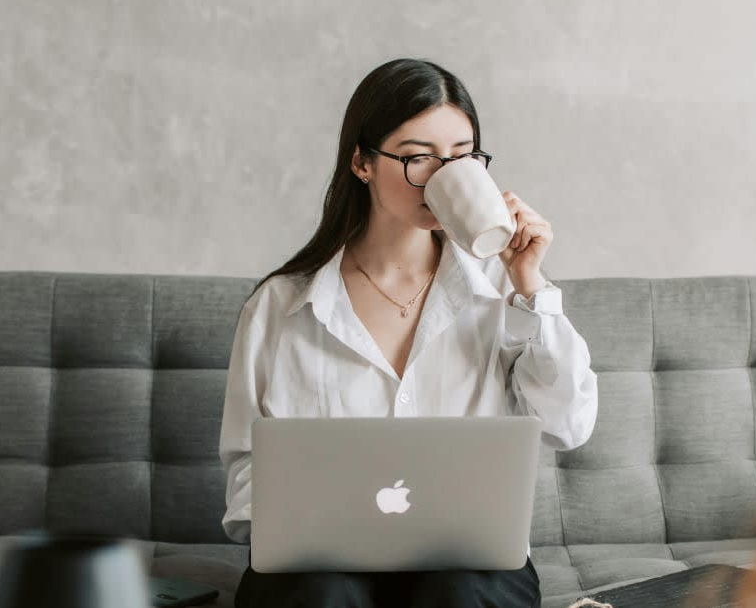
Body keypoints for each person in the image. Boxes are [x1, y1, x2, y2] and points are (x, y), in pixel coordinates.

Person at [219, 57, 600, 607]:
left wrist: (529, 285)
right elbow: (246, 471)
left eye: (463, 157)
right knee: (321, 595)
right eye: (418, 158)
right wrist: (295, 529)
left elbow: (570, 425)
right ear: (362, 162)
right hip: (319, 567)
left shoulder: (504, 294)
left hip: (465, 563)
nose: (443, 177)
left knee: (462, 593)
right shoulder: (281, 306)